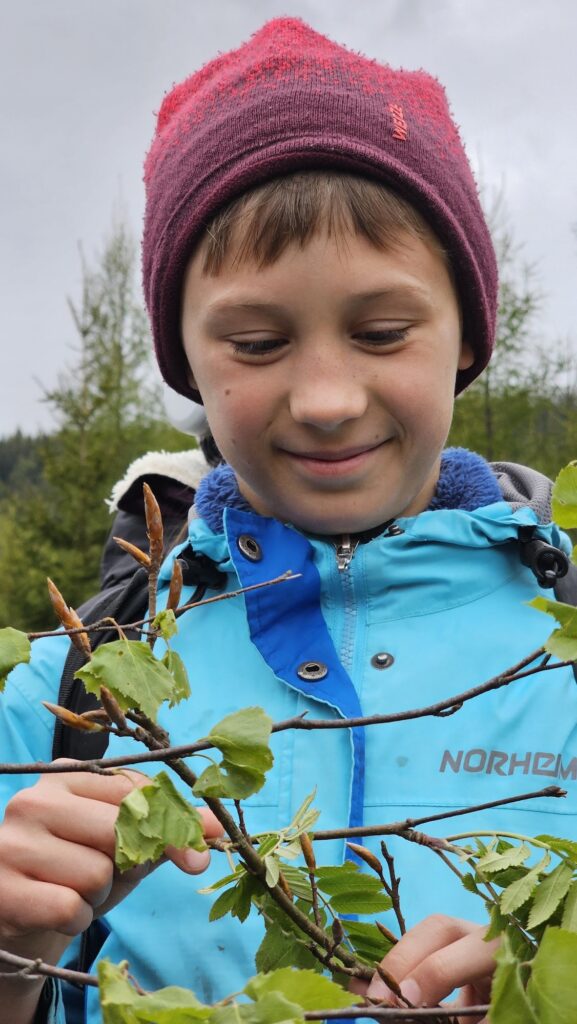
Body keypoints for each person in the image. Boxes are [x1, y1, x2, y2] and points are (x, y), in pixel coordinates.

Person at [1, 17, 576, 1024]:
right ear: (186, 362)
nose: (325, 400)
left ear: (466, 336)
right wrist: (10, 967)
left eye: (381, 331)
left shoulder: (562, 648)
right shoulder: (64, 702)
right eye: (257, 343)